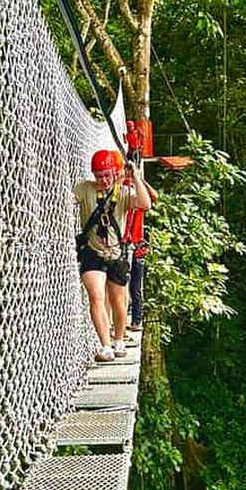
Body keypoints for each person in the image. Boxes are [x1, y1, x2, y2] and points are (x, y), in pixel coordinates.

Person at [73, 149, 152, 362]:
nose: (103, 180)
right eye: (99, 176)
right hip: (93, 252)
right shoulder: (85, 189)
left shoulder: (124, 192)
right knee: (96, 296)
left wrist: (135, 176)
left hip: (117, 254)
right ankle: (105, 345)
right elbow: (67, 199)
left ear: (115, 173)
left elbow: (146, 204)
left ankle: (118, 339)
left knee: (119, 300)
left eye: (107, 175)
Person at [124, 181, 158, 331]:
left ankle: (136, 320)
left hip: (137, 248)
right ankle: (125, 317)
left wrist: (139, 178)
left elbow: (154, 197)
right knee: (121, 285)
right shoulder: (123, 192)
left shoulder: (141, 198)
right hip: (122, 246)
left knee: (135, 287)